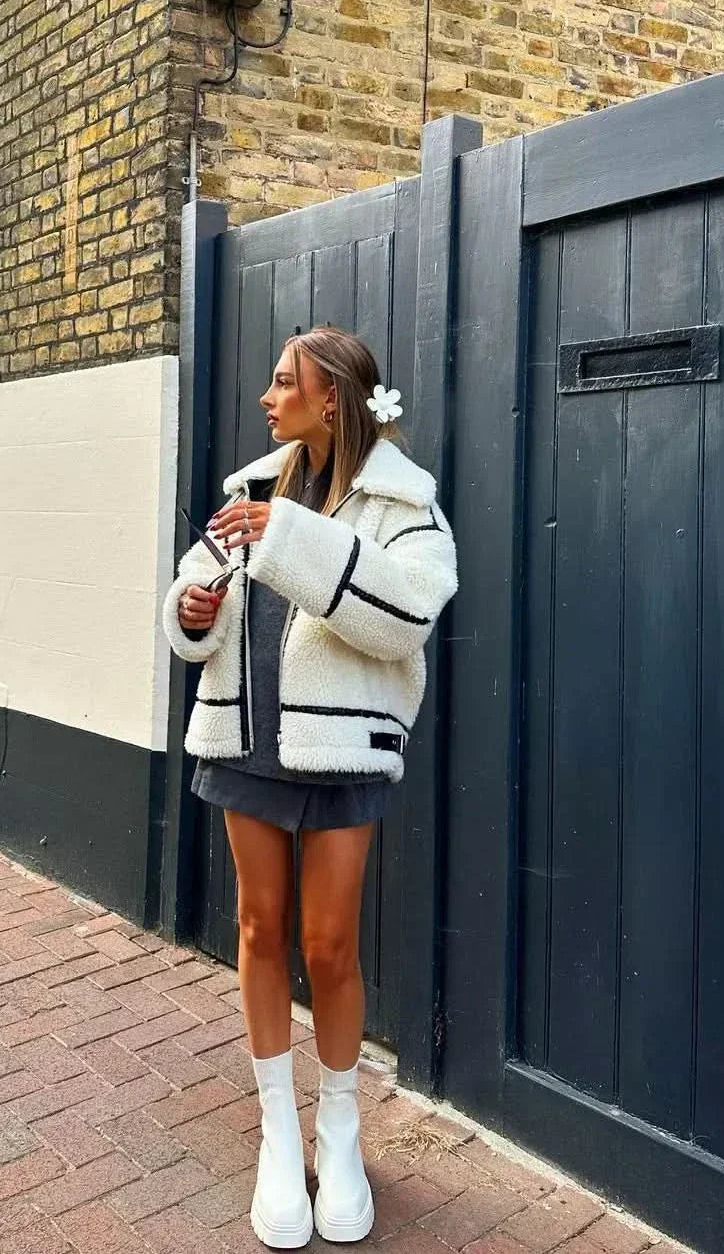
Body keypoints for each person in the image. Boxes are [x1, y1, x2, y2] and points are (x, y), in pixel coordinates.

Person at [162, 326, 458, 1248]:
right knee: (259, 928)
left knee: (329, 945)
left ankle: (339, 1126)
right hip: (245, 738)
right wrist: (193, 610)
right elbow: (195, 591)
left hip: (338, 749)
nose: (266, 396)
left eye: (284, 381)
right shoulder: (251, 488)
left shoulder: (403, 499)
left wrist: (287, 536)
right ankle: (276, 1131)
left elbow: (408, 615)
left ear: (331, 395)